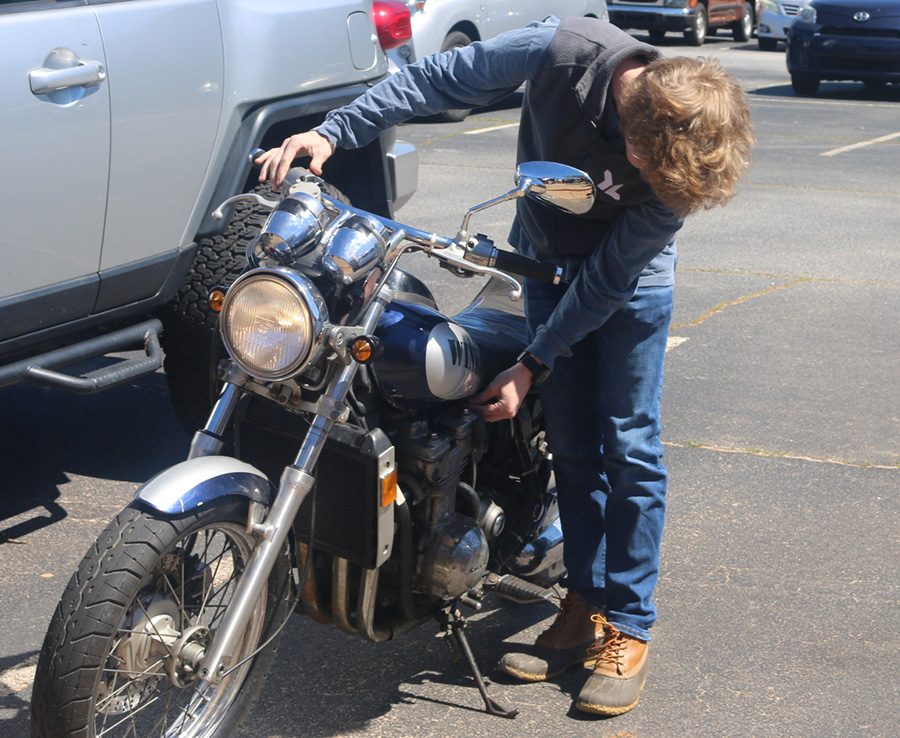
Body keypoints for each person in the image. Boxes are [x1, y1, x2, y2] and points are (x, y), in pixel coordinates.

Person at [257, 16, 753, 717]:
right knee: (578, 450)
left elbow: (609, 281)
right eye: (643, 166)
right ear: (631, 128)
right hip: (547, 259)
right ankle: (580, 605)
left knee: (629, 446)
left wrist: (534, 361)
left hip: (629, 286)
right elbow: (433, 79)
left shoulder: (674, 168)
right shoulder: (560, 53)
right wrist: (335, 131)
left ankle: (630, 628)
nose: (645, 180)